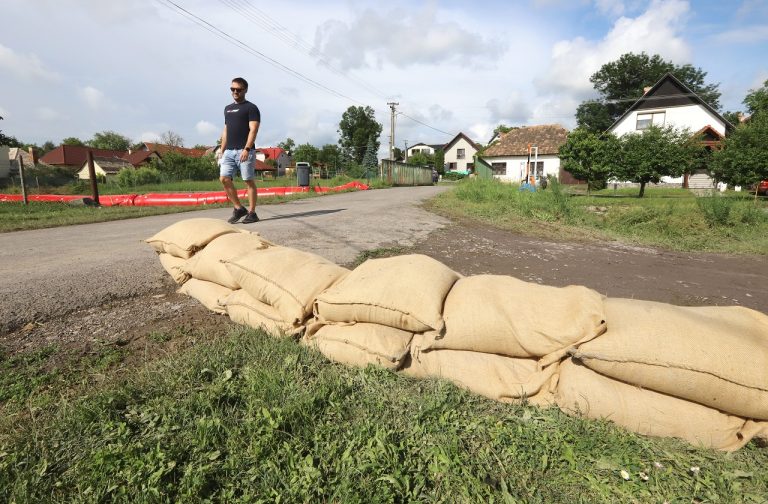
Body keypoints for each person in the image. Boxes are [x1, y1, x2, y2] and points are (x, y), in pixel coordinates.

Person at [217, 77, 261, 224]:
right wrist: (221, 151)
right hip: (229, 151)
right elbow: (226, 130)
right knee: (224, 179)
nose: (235, 92)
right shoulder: (227, 109)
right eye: (232, 89)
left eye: (238, 89)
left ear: (245, 90)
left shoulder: (251, 108)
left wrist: (247, 149)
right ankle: (238, 208)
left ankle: (252, 213)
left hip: (245, 151)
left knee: (248, 181)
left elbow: (253, 129)